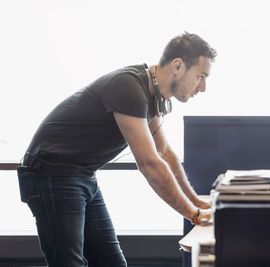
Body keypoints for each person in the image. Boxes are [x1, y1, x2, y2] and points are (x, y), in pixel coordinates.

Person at [17, 32, 217, 267]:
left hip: (82, 174)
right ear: (177, 65)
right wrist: (193, 215)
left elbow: (164, 153)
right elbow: (150, 163)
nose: (202, 87)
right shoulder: (128, 87)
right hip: (51, 174)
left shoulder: (151, 94)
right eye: (200, 76)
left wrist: (197, 203)